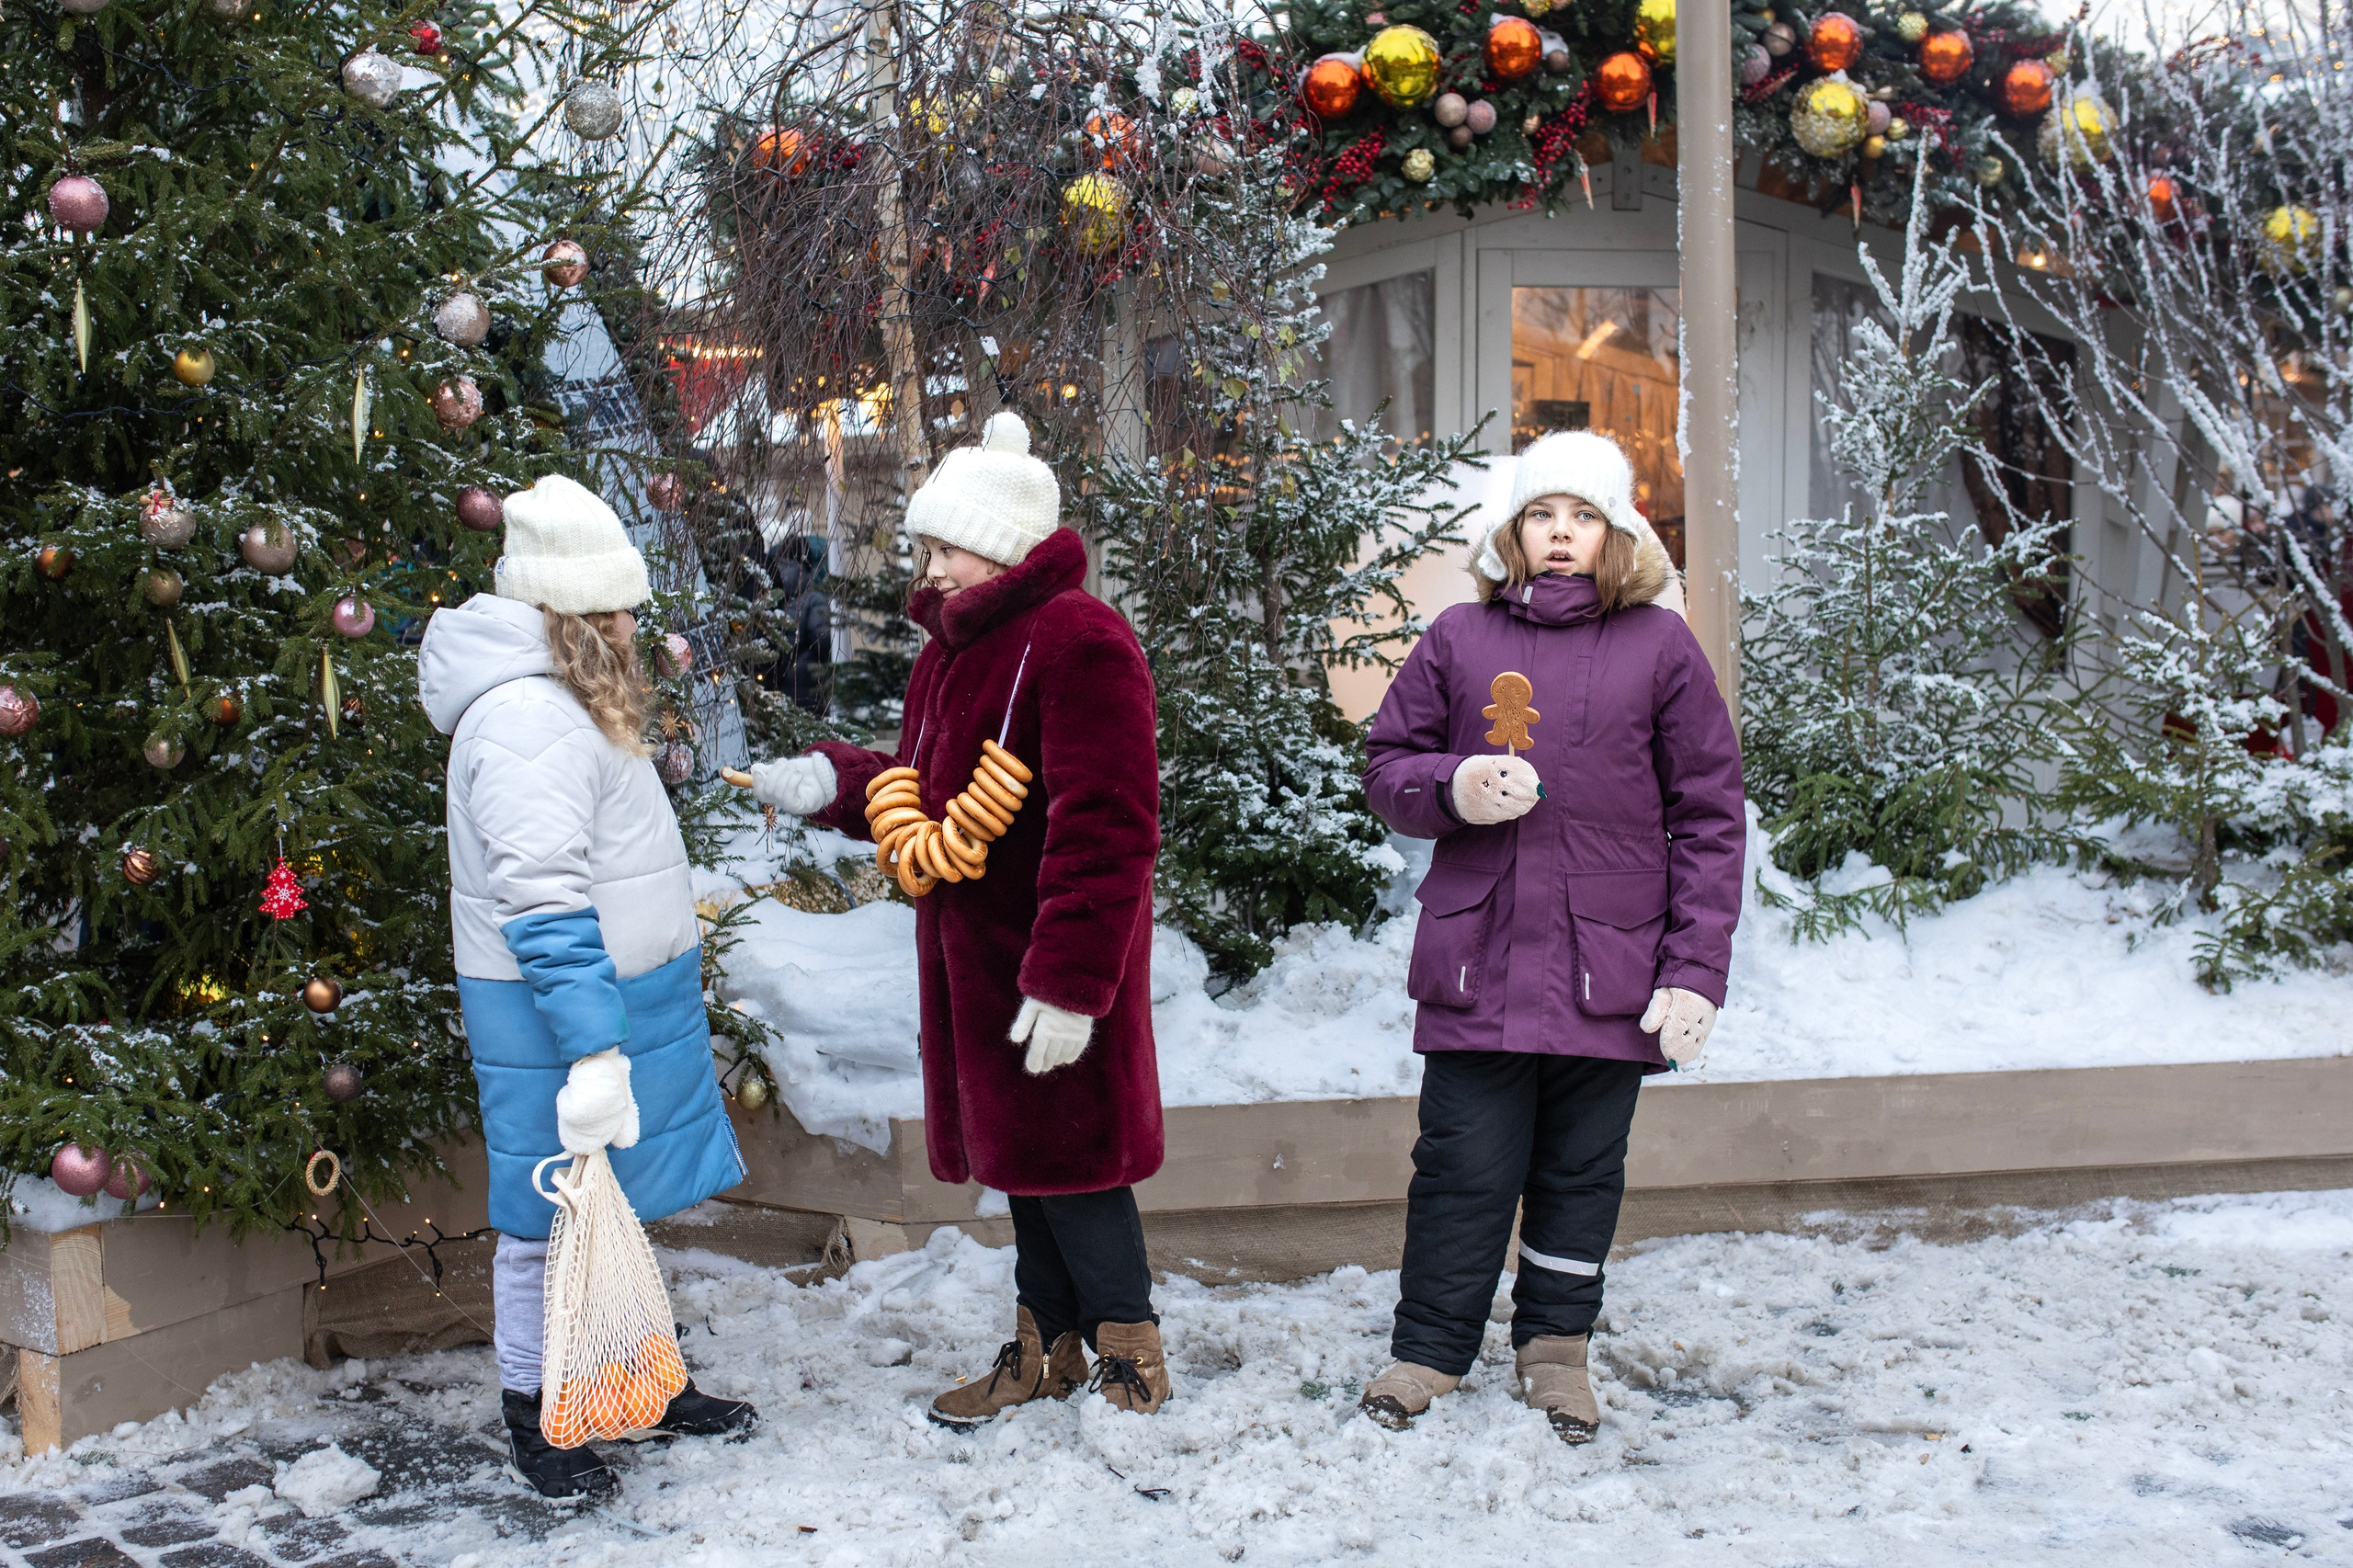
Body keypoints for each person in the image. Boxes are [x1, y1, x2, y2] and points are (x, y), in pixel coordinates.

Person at [743, 413, 1169, 1424]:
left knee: (1075, 1159)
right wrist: (830, 782)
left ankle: (1129, 1360)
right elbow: (919, 793)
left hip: (1048, 957)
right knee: (1026, 1158)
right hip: (971, 960)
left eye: (943, 545)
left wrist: (1069, 983)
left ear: (1007, 544)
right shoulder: (951, 652)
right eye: (926, 547)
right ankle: (1046, 1346)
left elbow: (1108, 826)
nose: (926, 566)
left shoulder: (1081, 641)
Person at [1355, 430, 1745, 1444]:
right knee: (1459, 1164)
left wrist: (1695, 973)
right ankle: (1429, 1349)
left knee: (1579, 1171)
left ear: (1615, 536)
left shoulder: (1661, 645)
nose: (1561, 534)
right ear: (1512, 533)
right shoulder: (1457, 637)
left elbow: (1708, 813)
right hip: (1477, 961)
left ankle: (1556, 1352)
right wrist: (1453, 786)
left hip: (1604, 969)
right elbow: (1388, 761)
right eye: (1541, 515)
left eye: (1582, 517)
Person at [419, 473, 758, 1498]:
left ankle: (635, 1380)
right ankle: (538, 1415)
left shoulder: (564, 702)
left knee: (611, 1204)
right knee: (544, 1216)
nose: (631, 622)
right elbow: (543, 903)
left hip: (612, 996)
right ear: (570, 613)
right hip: (560, 1011)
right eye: (617, 606)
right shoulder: (529, 718)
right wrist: (593, 1045)